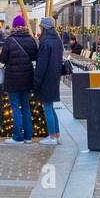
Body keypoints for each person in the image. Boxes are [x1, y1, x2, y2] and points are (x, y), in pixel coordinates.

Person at [0, 15, 38, 144]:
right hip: (27, 78)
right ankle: (28, 136)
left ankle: (17, 136)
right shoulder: (31, 39)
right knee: (26, 107)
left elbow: (2, 59)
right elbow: (34, 56)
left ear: (14, 26)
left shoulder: (10, 41)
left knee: (15, 107)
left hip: (13, 79)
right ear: (25, 26)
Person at [33, 17, 65, 145]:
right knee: (50, 107)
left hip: (46, 78)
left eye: (41, 26)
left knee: (47, 107)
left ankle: (52, 136)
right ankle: (56, 135)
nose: (40, 28)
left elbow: (41, 65)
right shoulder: (57, 40)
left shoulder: (45, 42)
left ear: (44, 27)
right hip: (55, 76)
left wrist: (36, 81)